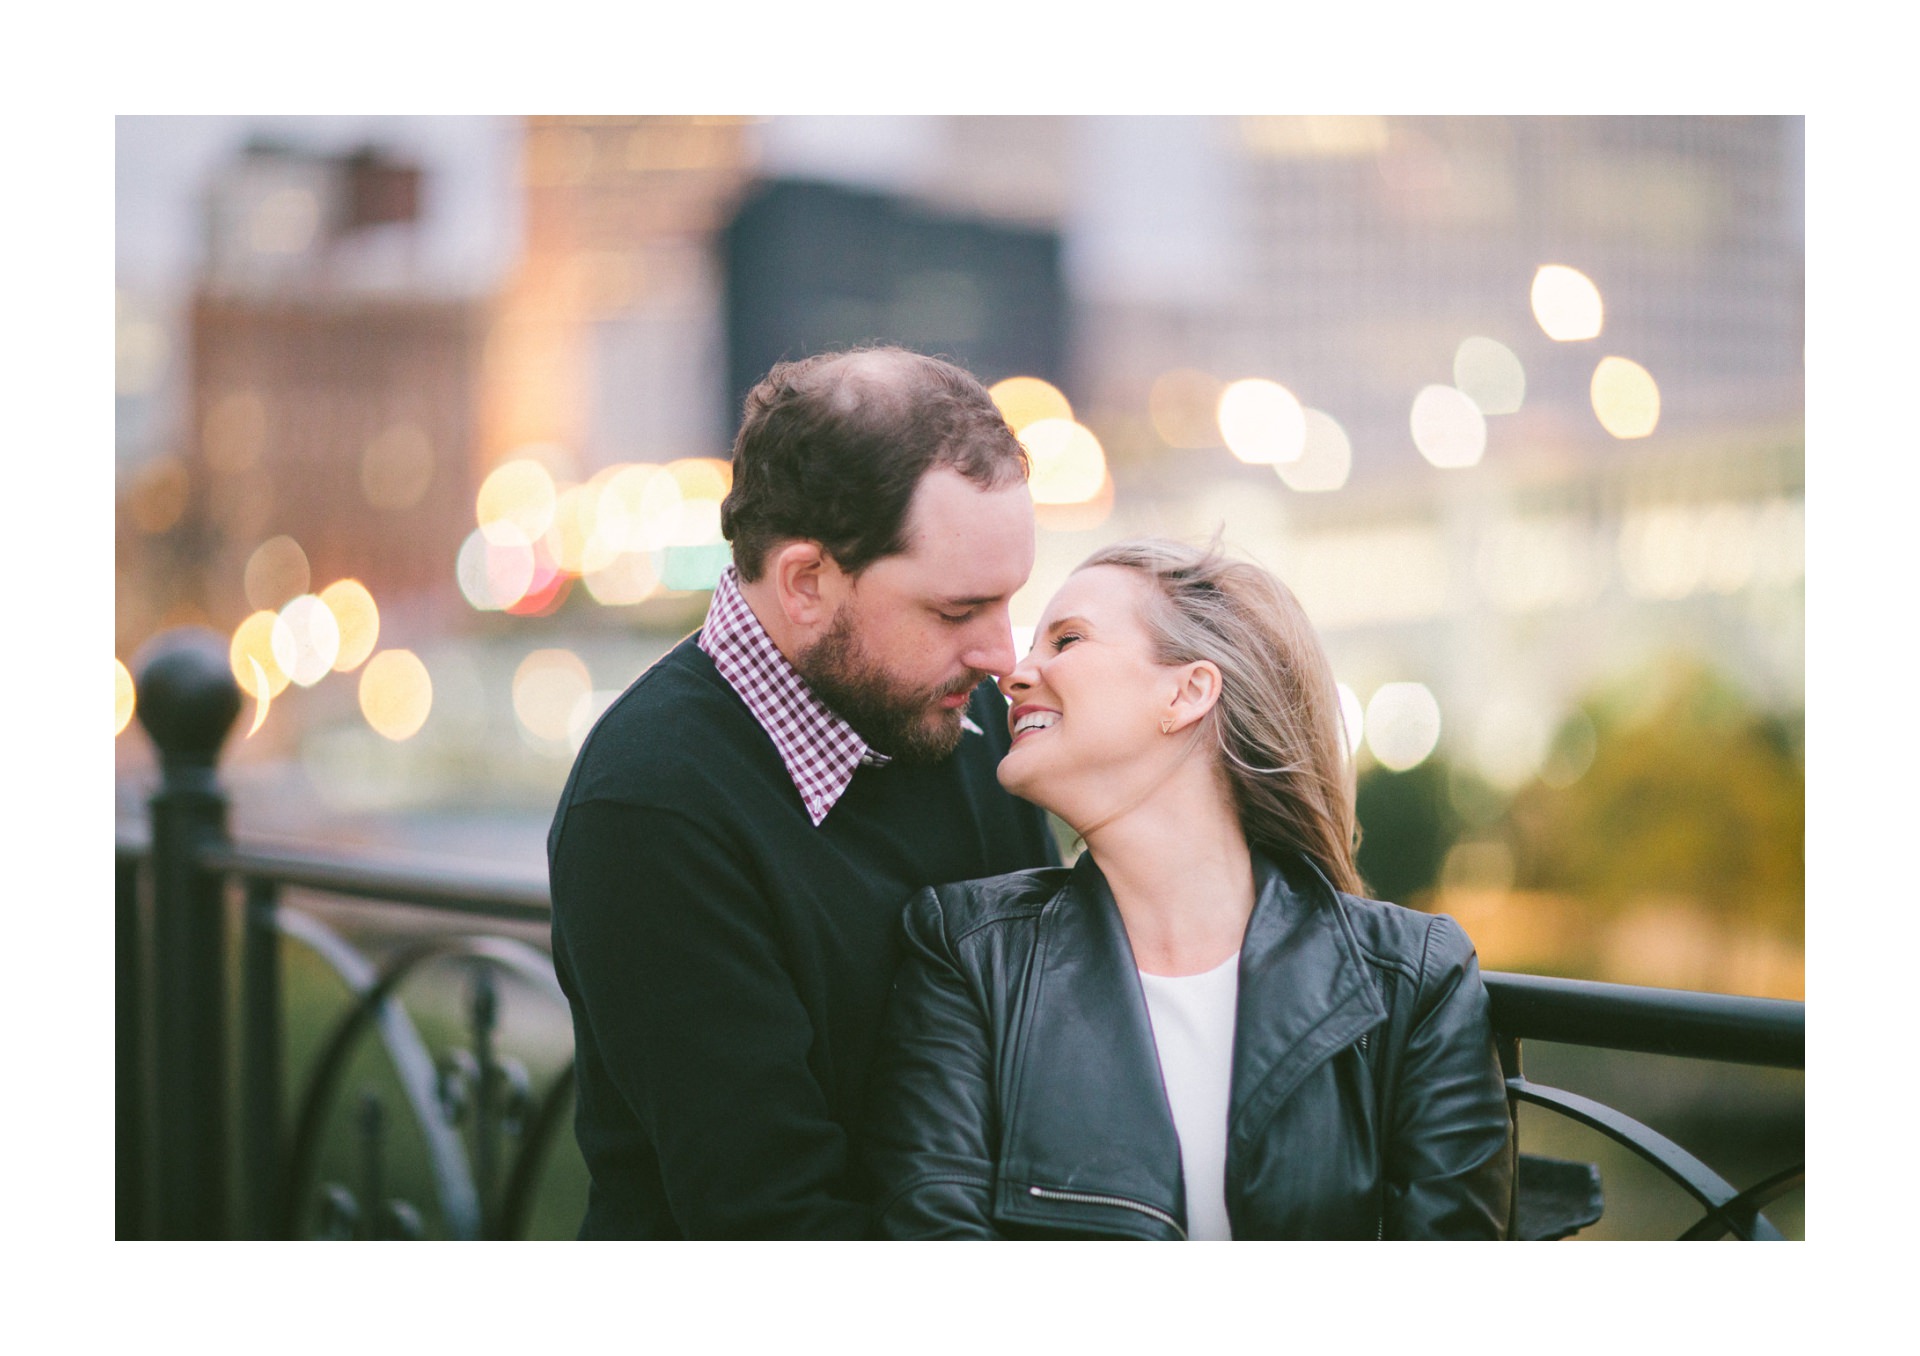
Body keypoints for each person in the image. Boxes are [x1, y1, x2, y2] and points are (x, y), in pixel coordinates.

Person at [548, 347, 1061, 1238]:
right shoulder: (650, 809)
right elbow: (777, 1222)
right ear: (806, 582)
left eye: (1009, 604)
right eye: (956, 611)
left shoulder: (964, 716)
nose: (1003, 658)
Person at [862, 538, 1513, 1239]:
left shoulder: (1415, 979)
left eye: (1067, 639)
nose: (1015, 674)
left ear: (1188, 691)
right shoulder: (964, 955)